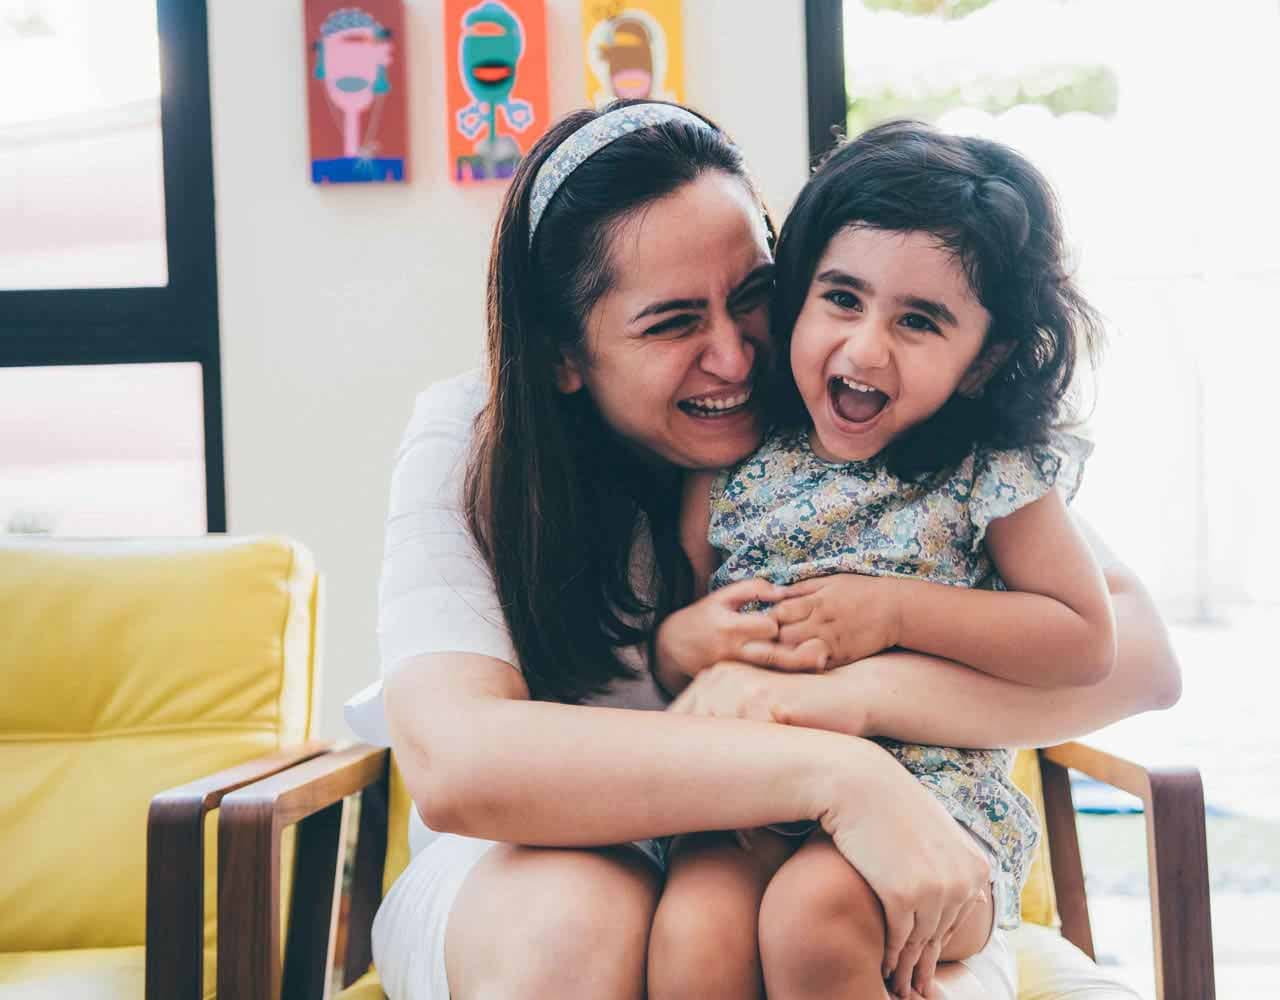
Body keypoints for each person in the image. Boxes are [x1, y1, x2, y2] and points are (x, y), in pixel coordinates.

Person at [345, 100, 1180, 1000]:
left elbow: (1134, 658)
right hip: (545, 859)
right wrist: (834, 770)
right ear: (563, 355)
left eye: (753, 296)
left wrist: (850, 701)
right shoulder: (476, 441)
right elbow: (463, 763)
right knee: (577, 927)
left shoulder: (851, 414)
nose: (736, 358)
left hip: (849, 839)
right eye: (671, 324)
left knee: (830, 926)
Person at [649, 120, 1112, 1000]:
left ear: (986, 361)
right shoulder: (738, 451)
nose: (865, 348)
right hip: (746, 791)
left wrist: (892, 610)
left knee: (814, 917)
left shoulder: (993, 474)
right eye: (841, 299)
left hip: (934, 810)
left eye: (920, 321)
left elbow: (1084, 638)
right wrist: (686, 638)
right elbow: (670, 626)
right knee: (692, 936)